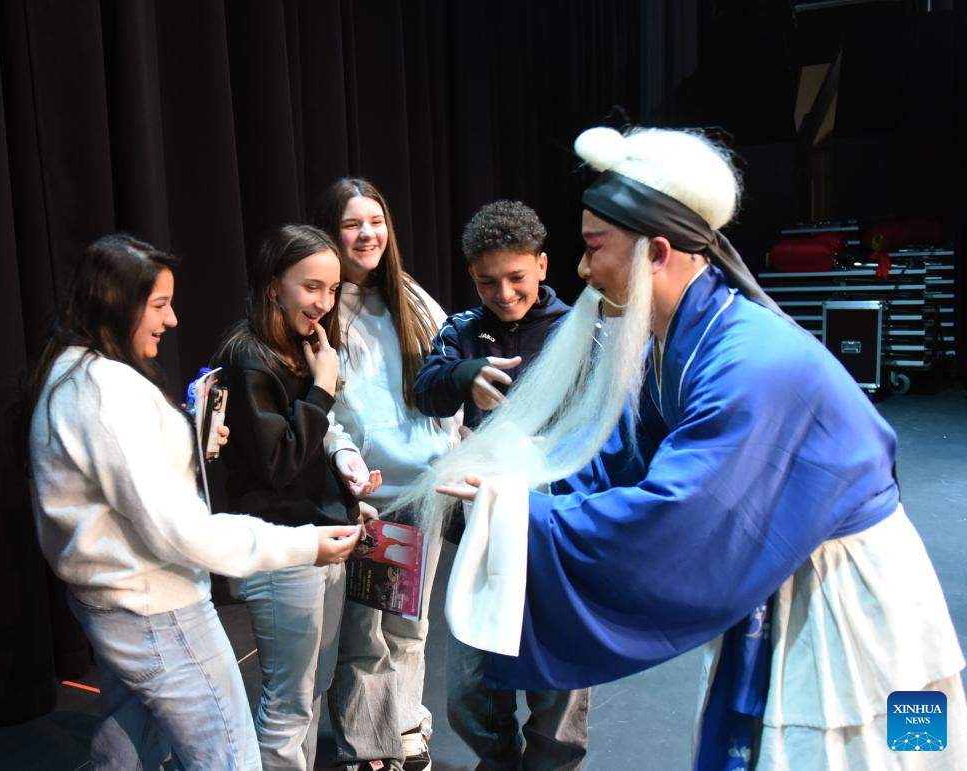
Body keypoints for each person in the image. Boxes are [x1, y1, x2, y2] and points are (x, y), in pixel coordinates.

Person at [404, 127, 966, 769]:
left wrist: (523, 512)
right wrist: (528, 485)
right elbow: (614, 458)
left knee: (872, 746)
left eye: (593, 249)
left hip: (850, 597)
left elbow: (681, 514)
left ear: (658, 252)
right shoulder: (676, 345)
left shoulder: (748, 362)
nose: (584, 271)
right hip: (786, 575)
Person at [23, 233, 361, 771]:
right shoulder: (106, 390)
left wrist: (186, 434)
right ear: (116, 303)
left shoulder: (72, 375)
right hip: (156, 607)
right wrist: (302, 546)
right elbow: (181, 529)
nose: (174, 319)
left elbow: (126, 479)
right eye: (159, 305)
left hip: (121, 601)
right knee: (230, 756)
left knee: (128, 745)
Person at [413, 200, 589, 770]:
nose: (505, 292)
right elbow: (426, 389)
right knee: (469, 686)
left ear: (541, 265)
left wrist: (557, 450)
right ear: (471, 275)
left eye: (516, 277)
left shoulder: (578, 329)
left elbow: (609, 421)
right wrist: (464, 376)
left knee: (557, 679)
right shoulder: (462, 330)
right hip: (481, 531)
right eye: (489, 281)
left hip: (554, 529)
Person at [210, 225, 382, 770]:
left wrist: (344, 470)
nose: (324, 304)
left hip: (319, 537)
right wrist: (324, 386)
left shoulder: (300, 349)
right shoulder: (249, 358)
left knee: (313, 690)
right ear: (273, 287)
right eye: (312, 287)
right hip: (282, 547)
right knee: (288, 703)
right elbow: (279, 463)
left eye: (332, 291)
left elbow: (311, 439)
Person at [315, 177, 460, 771]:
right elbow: (321, 409)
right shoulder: (322, 306)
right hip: (373, 497)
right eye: (353, 223)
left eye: (375, 220)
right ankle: (365, 746)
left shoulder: (413, 298)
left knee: (409, 624)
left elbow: (451, 379)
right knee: (364, 635)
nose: (367, 233)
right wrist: (345, 461)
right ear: (332, 233)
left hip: (423, 490)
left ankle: (404, 725)